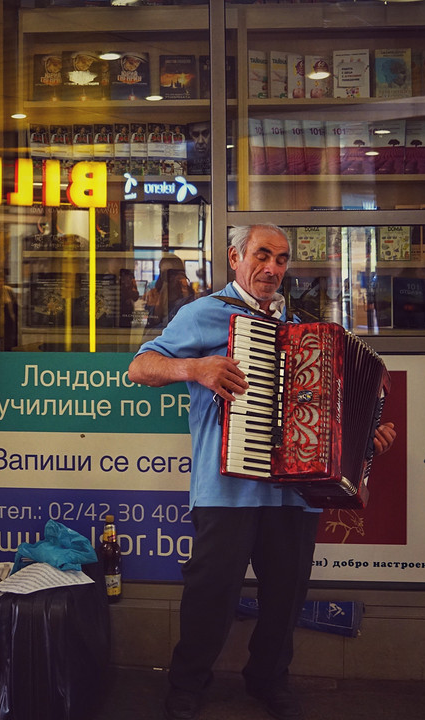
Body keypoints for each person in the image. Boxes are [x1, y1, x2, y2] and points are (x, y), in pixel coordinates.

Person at [128, 224, 396, 720]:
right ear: (236, 257)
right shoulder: (203, 313)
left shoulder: (305, 327)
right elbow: (140, 368)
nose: (272, 268)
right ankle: (187, 686)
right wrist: (198, 368)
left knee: (285, 596)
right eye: (262, 255)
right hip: (224, 489)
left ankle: (269, 679)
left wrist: (363, 445)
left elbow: (333, 411)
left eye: (281, 259)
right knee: (211, 594)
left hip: (293, 494)